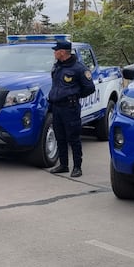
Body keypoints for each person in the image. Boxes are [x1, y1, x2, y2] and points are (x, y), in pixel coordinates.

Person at [47, 40, 95, 177]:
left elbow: (89, 88)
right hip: (56, 107)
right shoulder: (57, 67)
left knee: (73, 138)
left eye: (56, 50)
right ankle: (63, 165)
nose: (54, 52)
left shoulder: (79, 69)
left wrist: (74, 96)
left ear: (62, 52)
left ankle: (77, 167)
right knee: (60, 137)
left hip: (70, 108)